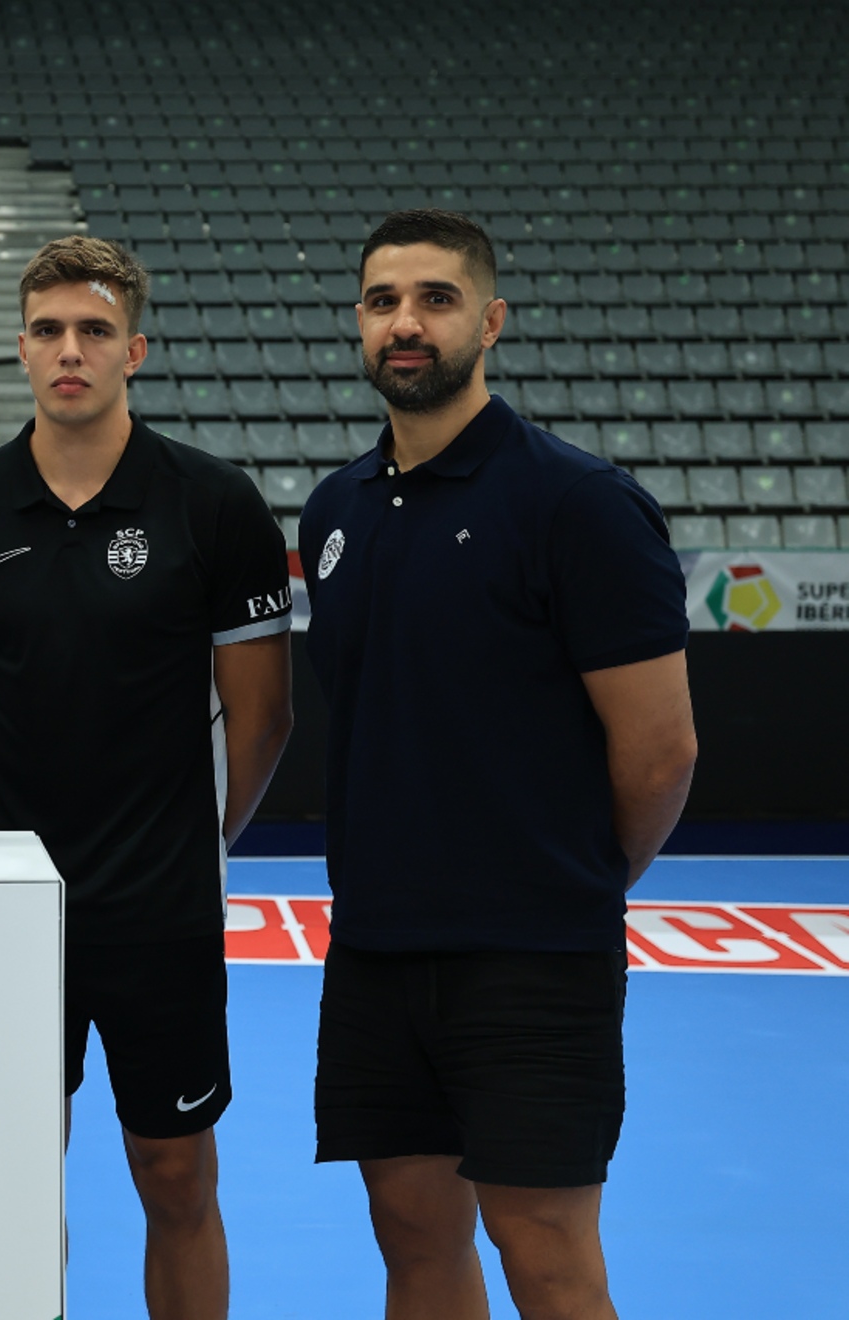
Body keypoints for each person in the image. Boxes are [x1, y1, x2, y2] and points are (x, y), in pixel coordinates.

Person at [300, 209, 697, 1320]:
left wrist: (569, 879)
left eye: (435, 298)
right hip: (376, 947)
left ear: (492, 321)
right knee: (414, 1240)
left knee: (547, 1253)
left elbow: (662, 749)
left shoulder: (578, 504)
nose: (406, 324)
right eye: (383, 302)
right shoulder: (335, 510)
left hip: (533, 955)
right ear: (359, 326)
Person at [0, 236, 295, 1320]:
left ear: (135, 349)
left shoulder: (213, 502)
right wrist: (15, 839)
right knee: (12, 1174)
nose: (69, 351)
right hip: (8, 908)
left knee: (177, 1176)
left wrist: (188, 844)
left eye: (93, 331)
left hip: (160, 910)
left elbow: (264, 719)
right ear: (21, 350)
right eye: (48, 331)